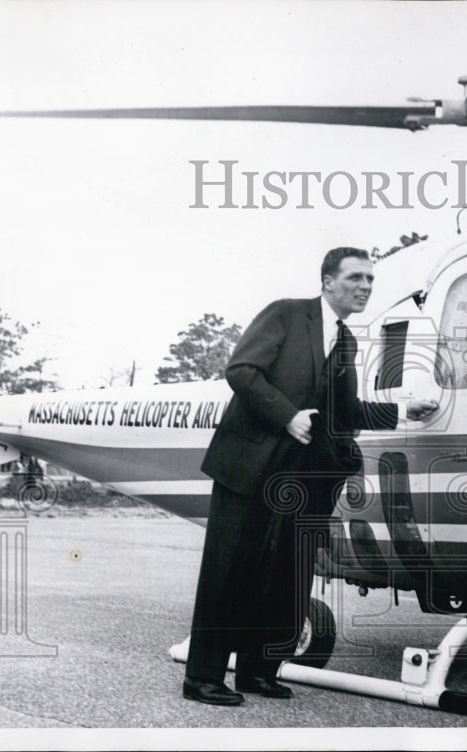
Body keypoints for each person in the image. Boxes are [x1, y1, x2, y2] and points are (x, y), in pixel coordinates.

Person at [182, 247, 438, 706]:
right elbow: (241, 370)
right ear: (327, 281)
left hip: (301, 479)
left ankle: (257, 673)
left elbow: (346, 412)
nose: (365, 287)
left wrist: (402, 409)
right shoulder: (285, 314)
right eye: (356, 277)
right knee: (229, 572)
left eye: (370, 280)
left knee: (283, 575)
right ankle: (202, 678)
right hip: (248, 468)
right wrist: (287, 416)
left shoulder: (346, 342)